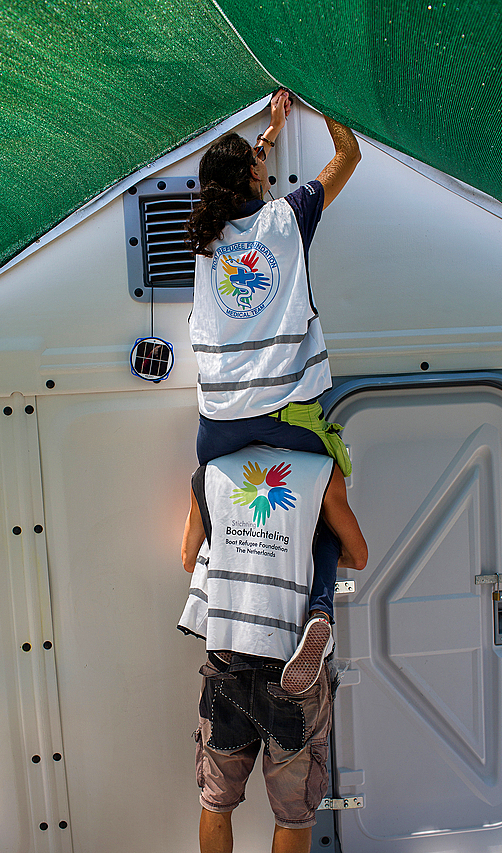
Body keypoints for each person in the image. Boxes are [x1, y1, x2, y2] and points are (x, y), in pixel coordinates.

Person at [185, 88, 362, 695]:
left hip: (220, 422)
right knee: (324, 507)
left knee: (216, 505)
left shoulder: (203, 239)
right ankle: (317, 611)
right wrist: (324, 100)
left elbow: (236, 182)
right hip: (288, 411)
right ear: (258, 177)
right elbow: (348, 158)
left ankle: (213, 585)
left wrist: (267, 134)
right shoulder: (287, 219)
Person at [179, 443, 367, 853]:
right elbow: (360, 554)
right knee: (293, 813)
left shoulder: (210, 473)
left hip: (226, 658)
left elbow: (186, 555)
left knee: (216, 798)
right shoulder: (319, 471)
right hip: (290, 667)